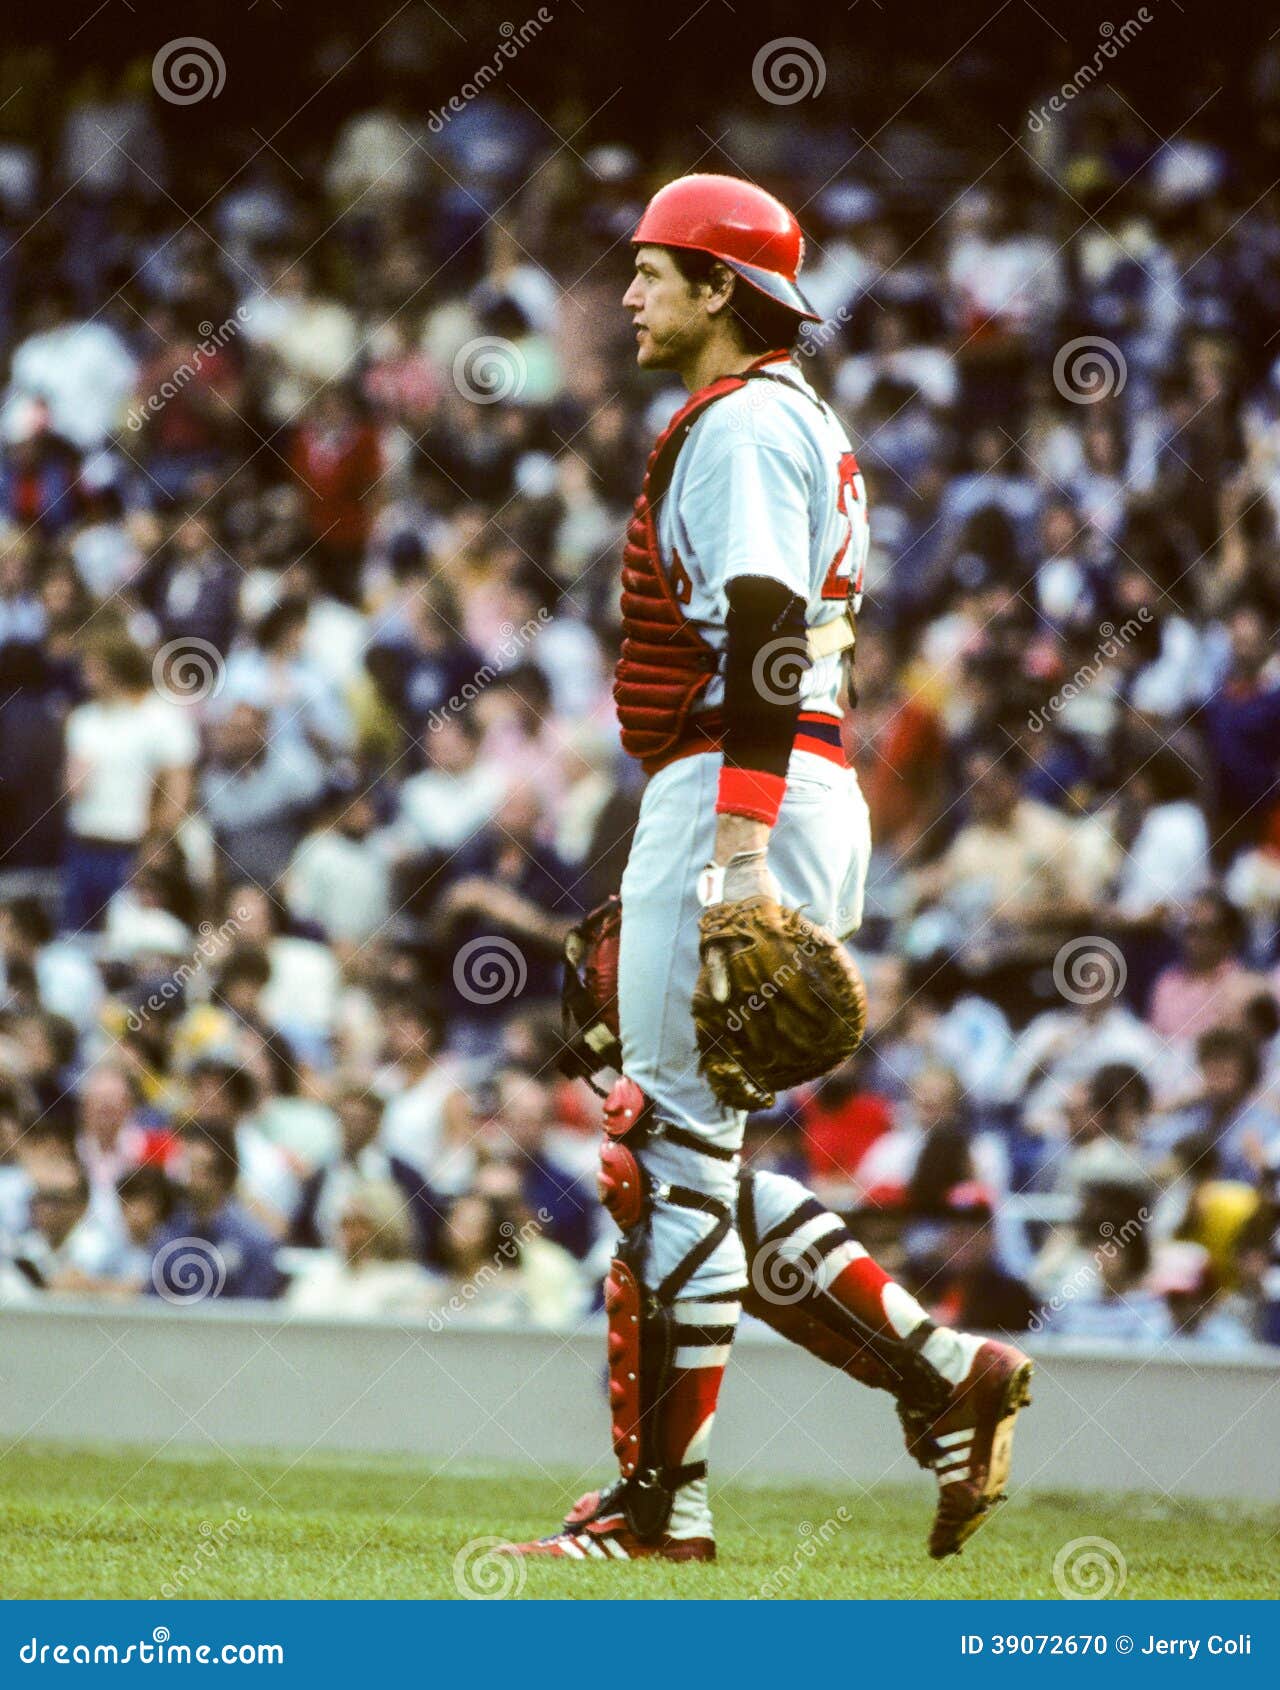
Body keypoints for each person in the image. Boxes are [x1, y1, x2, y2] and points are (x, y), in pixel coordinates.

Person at [502, 175, 1031, 1568]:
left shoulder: (741, 426)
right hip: (780, 779)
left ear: (721, 288)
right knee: (694, 1155)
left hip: (748, 779)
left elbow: (764, 633)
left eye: (654, 270)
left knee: (664, 1155)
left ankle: (660, 1507)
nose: (628, 294)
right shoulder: (779, 417)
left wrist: (733, 853)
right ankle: (939, 1371)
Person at [150, 1123, 283, 1301]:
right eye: (186, 1167)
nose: (188, 1179)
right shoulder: (168, 1234)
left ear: (223, 1177)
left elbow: (255, 1314)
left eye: (198, 1170)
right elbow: (152, 1303)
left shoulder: (253, 1243)